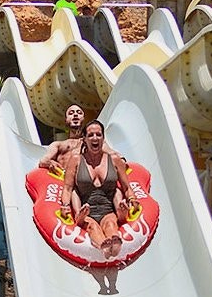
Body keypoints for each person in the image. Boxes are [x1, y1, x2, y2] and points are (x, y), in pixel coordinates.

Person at [60, 120, 138, 271]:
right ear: (85, 139)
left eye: (98, 135)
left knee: (110, 224)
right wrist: (64, 206)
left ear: (103, 138)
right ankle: (103, 245)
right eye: (90, 135)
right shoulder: (76, 160)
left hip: (108, 209)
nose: (95, 138)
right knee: (92, 227)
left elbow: (127, 187)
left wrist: (133, 200)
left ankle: (114, 242)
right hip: (86, 210)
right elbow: (68, 189)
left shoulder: (114, 160)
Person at [38, 103, 125, 175]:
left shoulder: (94, 141)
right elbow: (43, 160)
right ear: (66, 119)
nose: (75, 114)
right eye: (71, 113)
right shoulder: (58, 145)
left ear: (83, 118)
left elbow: (114, 154)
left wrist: (121, 160)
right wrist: (52, 164)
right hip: (64, 180)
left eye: (79, 113)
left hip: (89, 181)